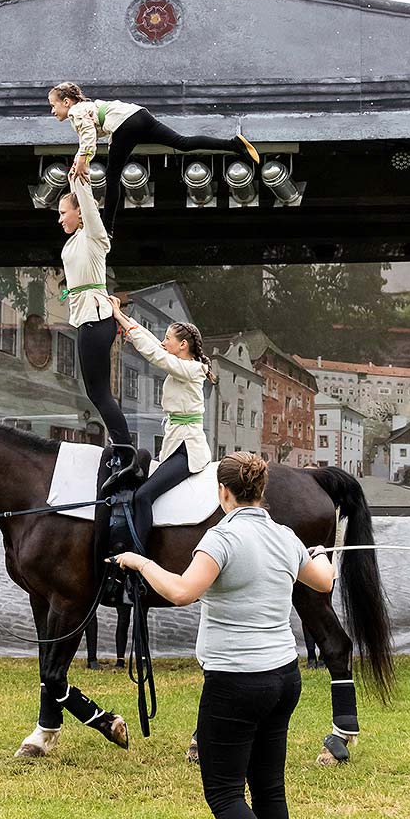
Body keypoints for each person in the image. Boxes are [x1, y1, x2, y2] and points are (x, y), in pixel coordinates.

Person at [111, 452, 335, 819]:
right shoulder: (286, 536)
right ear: (262, 490)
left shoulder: (221, 538)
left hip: (236, 681)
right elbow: (324, 581)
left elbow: (182, 592)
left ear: (222, 492)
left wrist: (140, 562)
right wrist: (320, 555)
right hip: (283, 678)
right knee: (269, 789)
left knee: (225, 792)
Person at [48, 82, 259, 237]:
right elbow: (88, 139)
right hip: (140, 115)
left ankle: (108, 228)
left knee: (112, 177)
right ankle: (234, 144)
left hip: (125, 125)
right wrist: (80, 160)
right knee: (182, 142)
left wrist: (83, 160)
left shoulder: (76, 111)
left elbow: (87, 137)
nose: (52, 110)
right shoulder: (89, 107)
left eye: (53, 105)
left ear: (66, 102)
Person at [104, 294, 213, 551]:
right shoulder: (181, 364)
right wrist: (122, 317)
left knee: (143, 496)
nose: (164, 343)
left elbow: (155, 354)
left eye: (169, 339)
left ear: (183, 345)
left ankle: (136, 556)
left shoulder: (192, 369)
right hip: (176, 442)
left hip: (188, 449)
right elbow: (154, 343)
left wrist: (120, 318)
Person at [57, 178, 135, 474]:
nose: (60, 218)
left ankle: (125, 452)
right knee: (97, 392)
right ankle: (122, 447)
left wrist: (78, 180)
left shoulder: (93, 235)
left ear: (79, 213)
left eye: (64, 212)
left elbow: (88, 205)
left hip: (95, 318)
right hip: (87, 319)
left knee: (100, 393)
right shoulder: (76, 240)